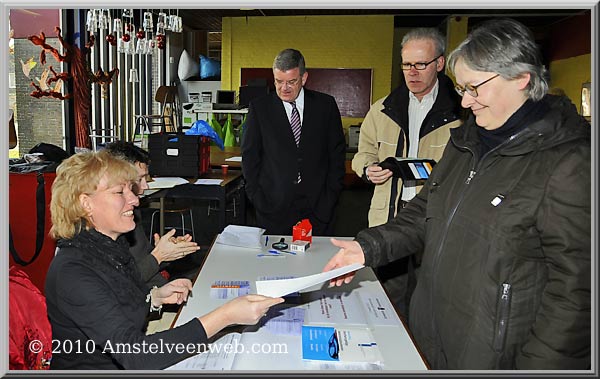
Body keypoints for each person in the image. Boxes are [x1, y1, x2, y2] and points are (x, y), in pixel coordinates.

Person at [323, 18, 590, 370]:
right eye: (462, 89)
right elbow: (424, 212)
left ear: (521, 78)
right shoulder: (466, 141)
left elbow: (576, 293)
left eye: (474, 88)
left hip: (493, 353)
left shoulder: (570, 161)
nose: (464, 102)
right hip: (433, 331)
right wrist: (367, 248)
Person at [45, 150, 284, 369]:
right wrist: (225, 317)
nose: (135, 200)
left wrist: (154, 298)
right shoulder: (73, 271)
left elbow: (114, 306)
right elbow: (137, 355)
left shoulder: (108, 247)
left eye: (131, 189)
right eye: (120, 192)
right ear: (86, 204)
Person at [351, 28, 462, 316]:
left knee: (431, 301)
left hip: (436, 216)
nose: (412, 72)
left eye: (420, 64)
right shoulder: (382, 109)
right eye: (406, 64)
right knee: (387, 302)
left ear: (439, 63)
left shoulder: (462, 113)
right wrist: (367, 168)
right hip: (389, 217)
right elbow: (362, 152)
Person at [241, 48, 346, 236]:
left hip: (319, 207)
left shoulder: (326, 106)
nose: (284, 88)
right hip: (273, 208)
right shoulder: (259, 109)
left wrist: (330, 196)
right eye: (278, 81)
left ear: (304, 78)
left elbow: (336, 155)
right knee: (275, 264)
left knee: (317, 264)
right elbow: (250, 157)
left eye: (291, 82)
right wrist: (257, 198)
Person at [104, 141, 199, 287]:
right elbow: (122, 285)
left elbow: (143, 262)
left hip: (157, 286)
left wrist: (166, 251)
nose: (145, 187)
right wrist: (159, 256)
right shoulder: (105, 227)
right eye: (138, 180)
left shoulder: (130, 211)